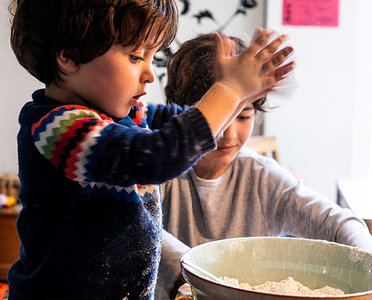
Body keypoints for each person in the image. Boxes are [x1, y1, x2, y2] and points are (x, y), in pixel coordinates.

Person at [7, 0, 295, 299]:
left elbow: (187, 123)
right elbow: (161, 155)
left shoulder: (127, 116)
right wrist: (230, 91)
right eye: (135, 57)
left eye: (151, 56)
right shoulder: (58, 128)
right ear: (69, 54)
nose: (149, 74)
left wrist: (240, 94)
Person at [156, 33, 372, 299]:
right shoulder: (158, 171)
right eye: (218, 118)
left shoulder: (263, 179)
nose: (228, 134)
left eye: (244, 116)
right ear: (180, 114)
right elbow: (143, 230)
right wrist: (197, 274)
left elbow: (339, 223)